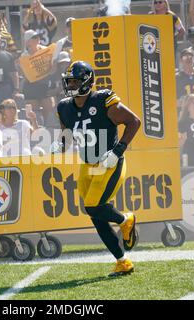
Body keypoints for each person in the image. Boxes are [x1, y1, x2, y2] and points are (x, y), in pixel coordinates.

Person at [54, 61, 140, 277]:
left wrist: (118, 150)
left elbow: (134, 121)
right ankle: (123, 262)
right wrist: (59, 145)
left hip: (108, 161)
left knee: (93, 206)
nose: (71, 85)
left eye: (75, 81)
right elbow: (67, 133)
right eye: (69, 81)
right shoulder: (64, 106)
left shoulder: (103, 100)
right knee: (95, 215)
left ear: (86, 81)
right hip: (87, 163)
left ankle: (125, 220)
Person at [20, 30, 55, 127]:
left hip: (44, 85)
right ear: (27, 41)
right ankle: (35, 129)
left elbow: (52, 67)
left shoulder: (46, 50)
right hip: (31, 86)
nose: (37, 39)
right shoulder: (24, 56)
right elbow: (25, 75)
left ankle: (47, 129)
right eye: (34, 38)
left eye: (37, 37)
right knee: (33, 111)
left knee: (48, 108)